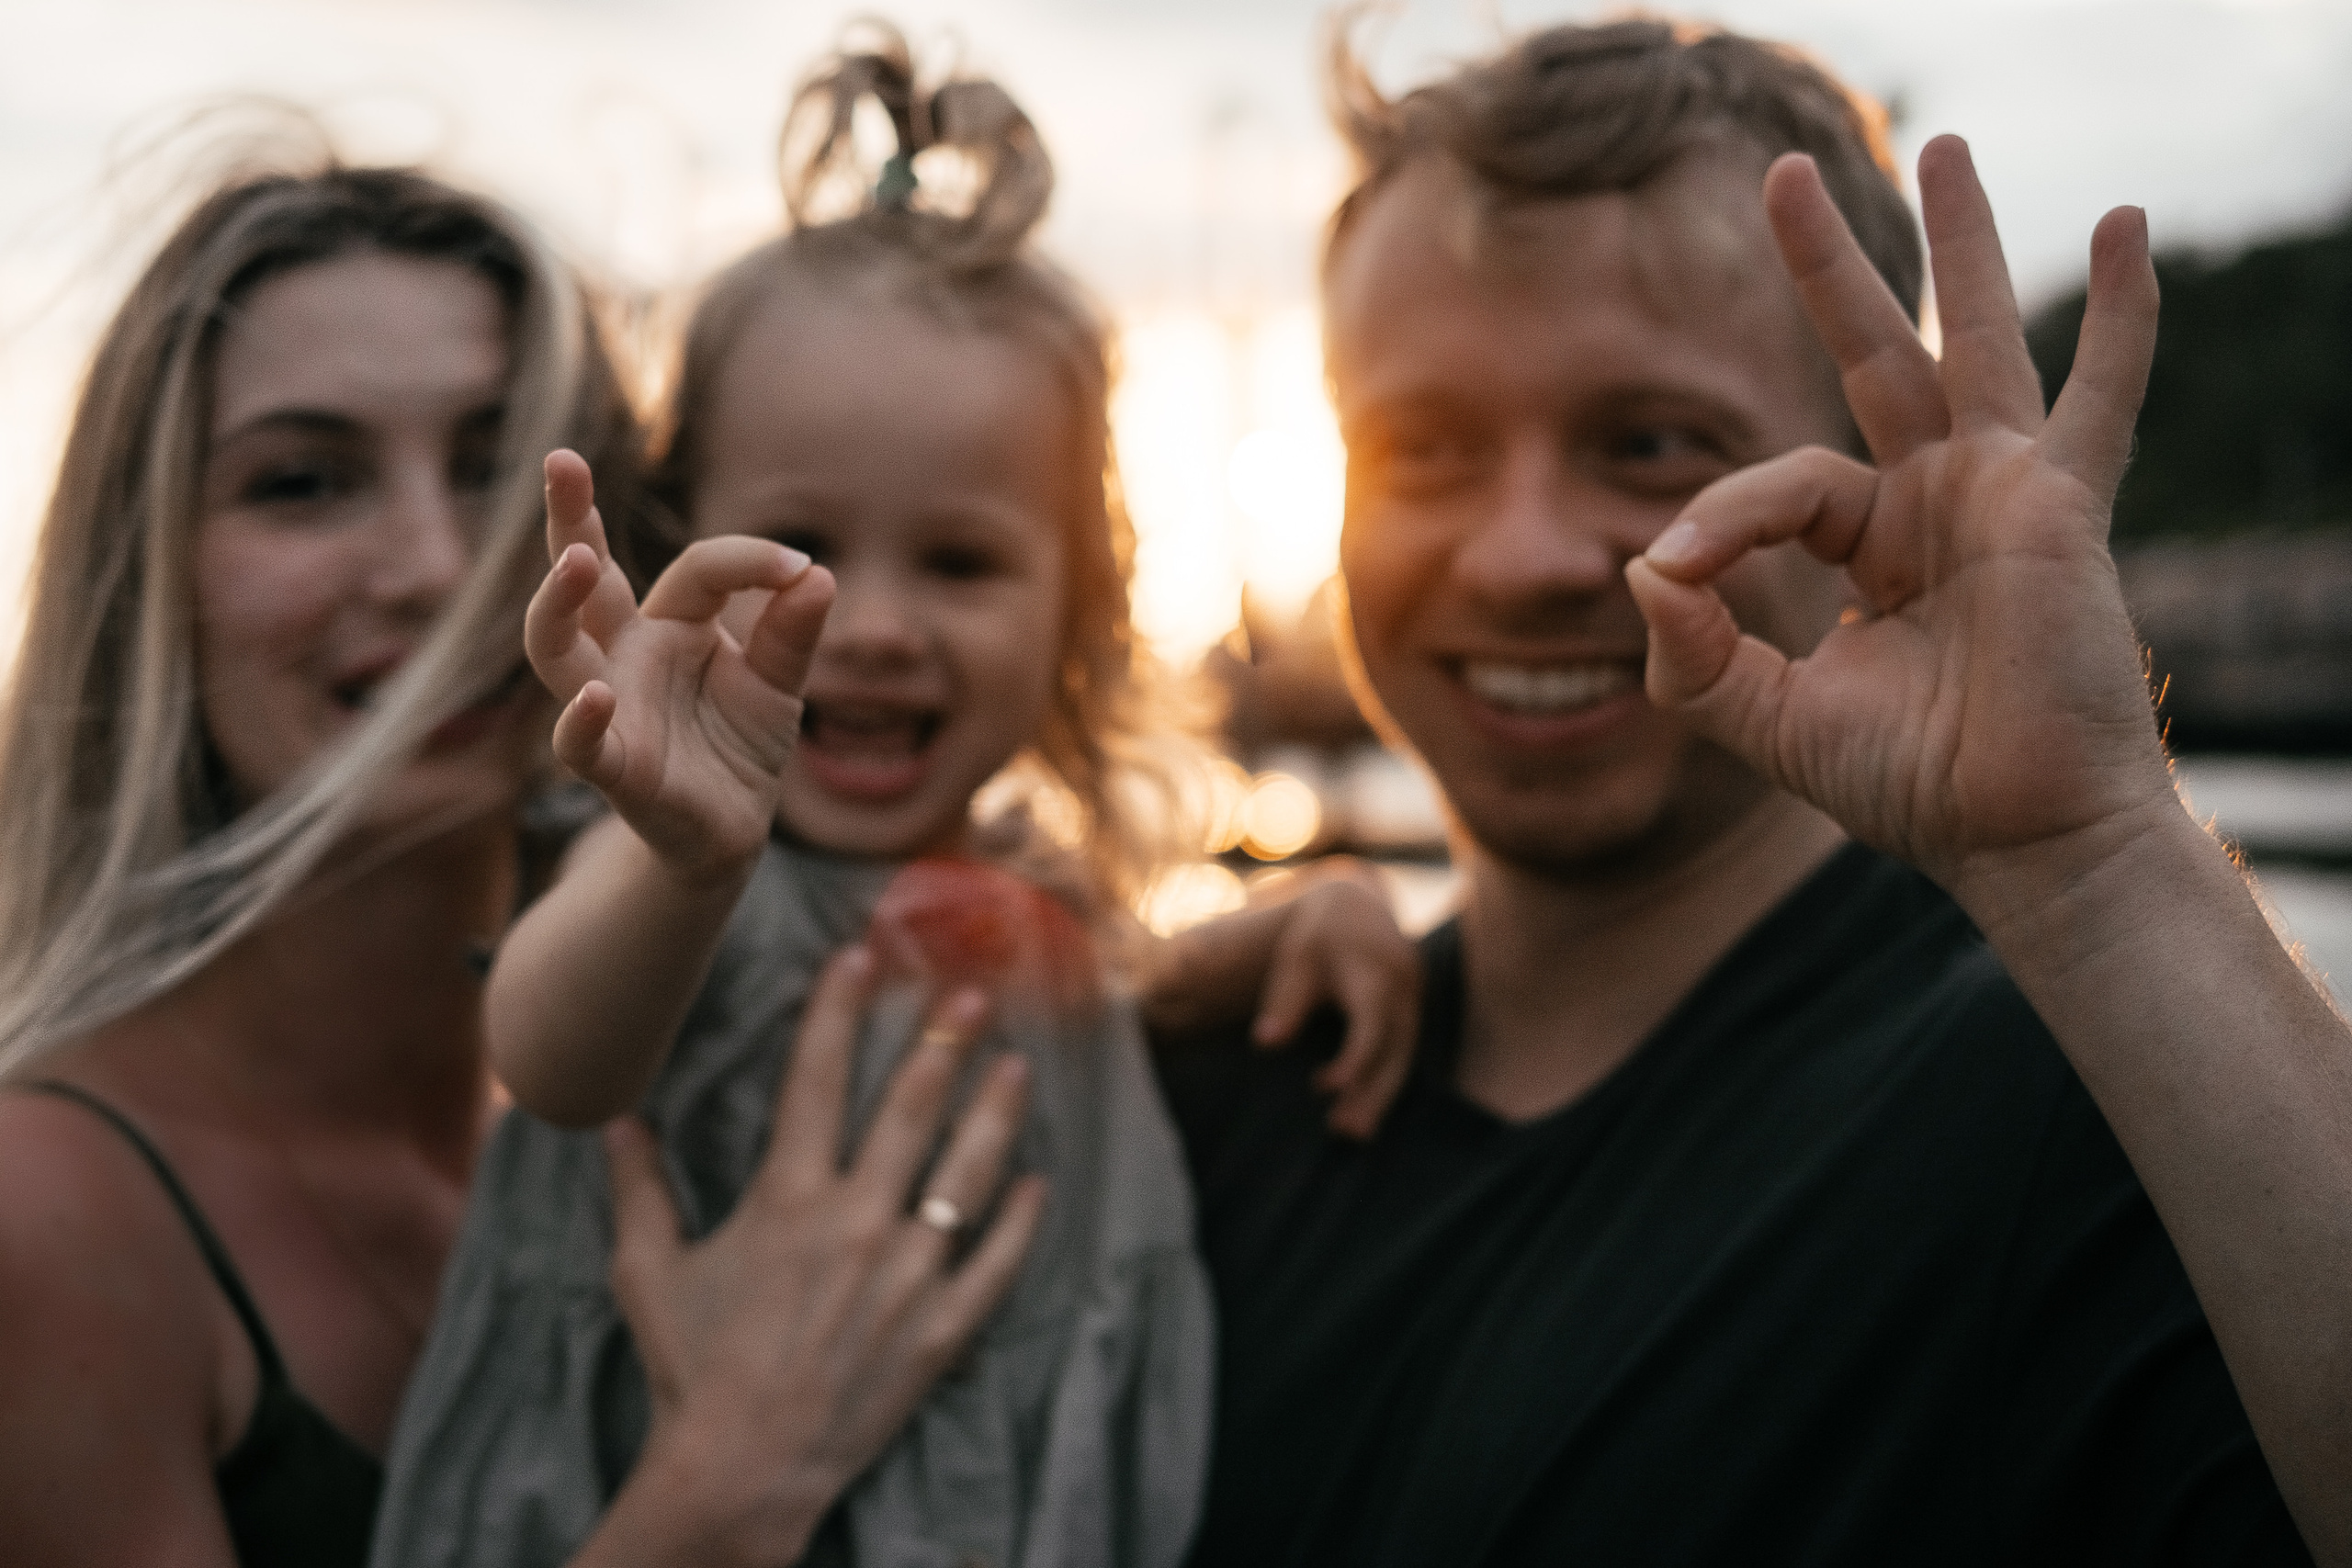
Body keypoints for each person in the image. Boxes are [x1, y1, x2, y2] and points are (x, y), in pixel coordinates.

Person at [1154, 17, 2352, 1565]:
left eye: (1649, 442)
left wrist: (2099, 859)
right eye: (1429, 446)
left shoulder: (2086, 1107)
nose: (1520, 555)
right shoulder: (1240, 1081)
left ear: (1860, 475)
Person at [369, 30, 1414, 1568]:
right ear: (678, 552)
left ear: (1081, 606)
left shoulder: (1022, 884)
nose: (869, 624)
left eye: (964, 561)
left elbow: (1104, 994)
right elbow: (554, 1053)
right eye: (798, 545)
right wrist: (680, 861)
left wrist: (1280, 925)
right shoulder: (661, 870)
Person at [0, 146, 1054, 1568]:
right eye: (306, 481)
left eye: (506, 470)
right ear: (147, 572)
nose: (439, 563)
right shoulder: (48, 1211)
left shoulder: (673, 1061)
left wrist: (1289, 937)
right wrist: (730, 1487)